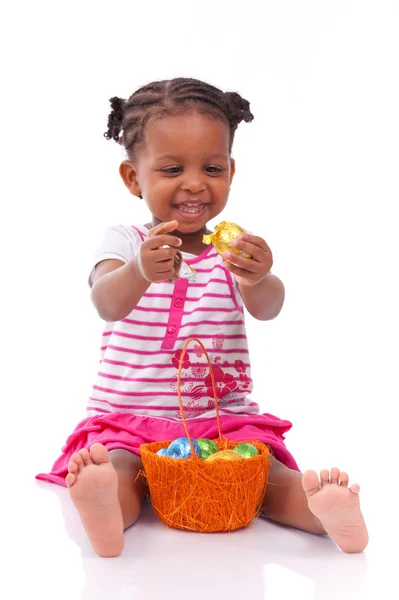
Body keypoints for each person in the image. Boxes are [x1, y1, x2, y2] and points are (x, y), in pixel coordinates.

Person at [36, 77, 368, 557]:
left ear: (231, 172)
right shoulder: (126, 241)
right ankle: (107, 505)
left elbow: (269, 309)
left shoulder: (233, 251)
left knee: (262, 476)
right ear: (133, 178)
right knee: (124, 468)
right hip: (130, 419)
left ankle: (319, 508)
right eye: (172, 169)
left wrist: (259, 277)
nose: (195, 183)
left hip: (222, 420)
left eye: (212, 168)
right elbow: (107, 302)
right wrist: (139, 270)